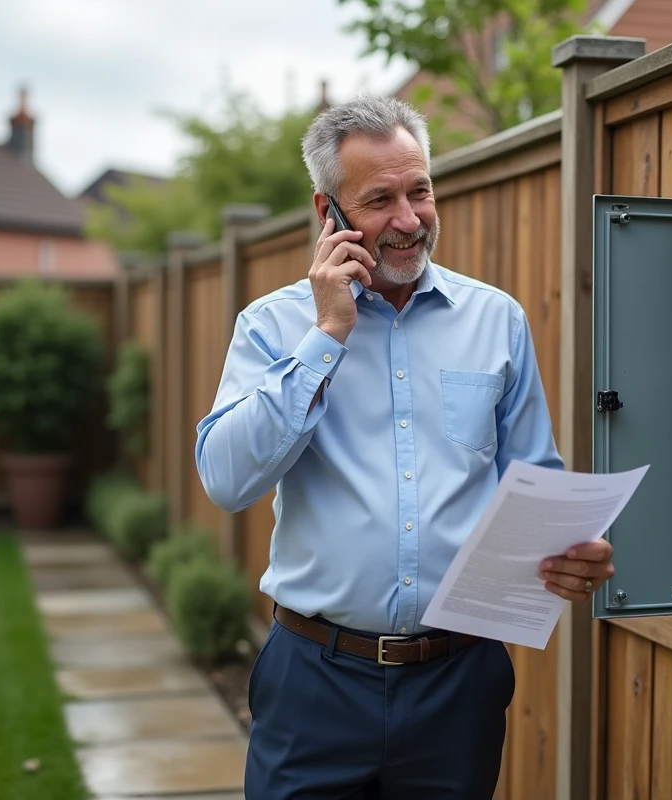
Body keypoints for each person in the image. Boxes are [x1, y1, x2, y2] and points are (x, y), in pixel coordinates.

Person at [194, 94, 615, 799]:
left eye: (419, 191)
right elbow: (227, 479)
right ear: (326, 212)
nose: (409, 219)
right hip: (314, 681)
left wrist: (576, 551)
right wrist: (326, 336)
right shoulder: (272, 328)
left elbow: (534, 480)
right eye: (379, 199)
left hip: (459, 683)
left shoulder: (495, 320)